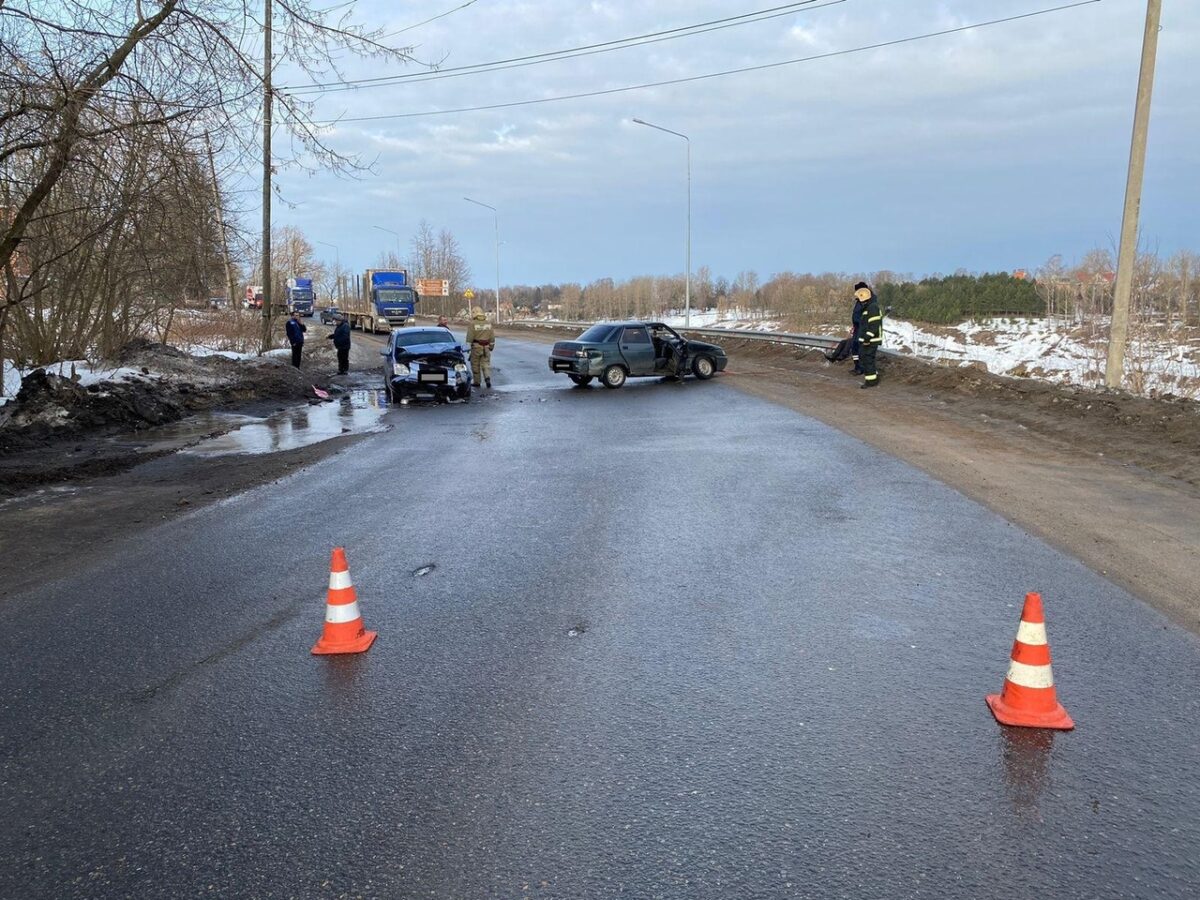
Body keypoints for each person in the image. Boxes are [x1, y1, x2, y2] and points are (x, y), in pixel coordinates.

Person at [854, 283, 883, 388]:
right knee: (865, 359)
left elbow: (874, 325)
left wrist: (867, 338)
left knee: (868, 359)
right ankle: (871, 378)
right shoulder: (868, 308)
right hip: (867, 339)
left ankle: (871, 381)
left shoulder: (872, 308)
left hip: (871, 340)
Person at [464, 306, 495, 388]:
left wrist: (467, 348)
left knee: (475, 365)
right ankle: (487, 378)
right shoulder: (488, 323)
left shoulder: (472, 324)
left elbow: (469, 337)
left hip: (476, 348)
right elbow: (492, 337)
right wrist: (491, 347)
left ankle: (477, 382)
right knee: (486, 364)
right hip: (486, 347)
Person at [850, 281, 869, 375]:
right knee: (854, 348)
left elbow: (863, 317)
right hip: (857, 328)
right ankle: (857, 366)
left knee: (859, 349)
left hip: (861, 329)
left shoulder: (865, 302)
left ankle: (861, 368)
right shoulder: (859, 302)